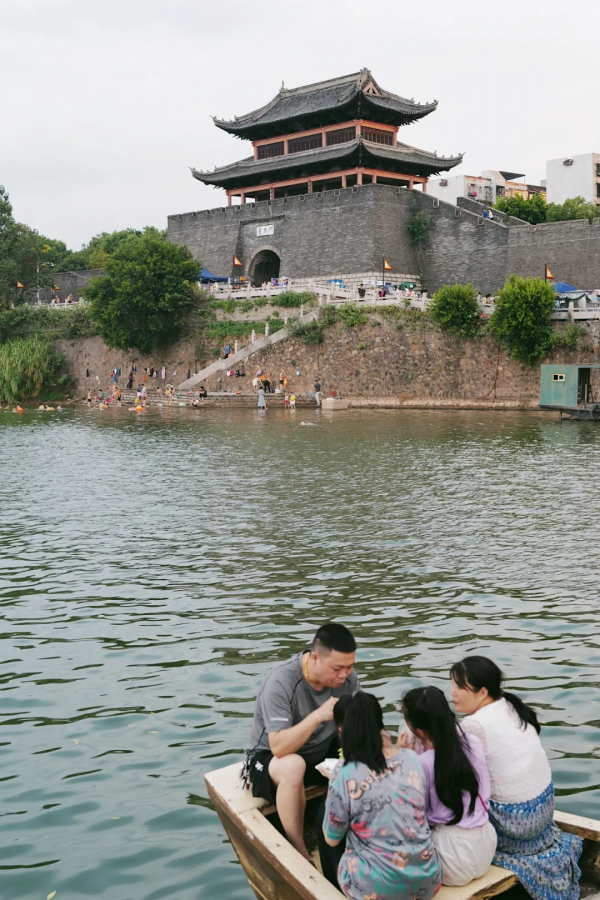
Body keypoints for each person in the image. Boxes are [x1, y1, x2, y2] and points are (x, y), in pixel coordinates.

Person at [450, 657, 582, 900]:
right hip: (544, 812)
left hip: (517, 824)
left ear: (482, 692)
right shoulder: (511, 706)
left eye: (459, 686)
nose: (452, 693)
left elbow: (459, 781)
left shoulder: (473, 725)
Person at [244, 623, 358, 861]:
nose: (344, 675)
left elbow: (360, 726)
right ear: (314, 658)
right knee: (294, 765)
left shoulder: (348, 679)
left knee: (363, 755)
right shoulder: (281, 682)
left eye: (349, 667)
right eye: (338, 668)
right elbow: (279, 747)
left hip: (321, 750)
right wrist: (318, 716)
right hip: (271, 758)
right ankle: (298, 849)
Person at [322, 692, 441, 900]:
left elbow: (332, 840)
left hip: (377, 891)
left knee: (328, 824)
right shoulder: (412, 758)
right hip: (428, 880)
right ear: (380, 725)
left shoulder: (343, 772)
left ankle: (330, 889)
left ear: (343, 731)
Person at [401, 686, 496, 885]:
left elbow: (415, 815)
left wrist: (404, 759)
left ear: (416, 730)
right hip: (486, 845)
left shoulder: (422, 762)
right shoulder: (472, 742)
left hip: (452, 857)